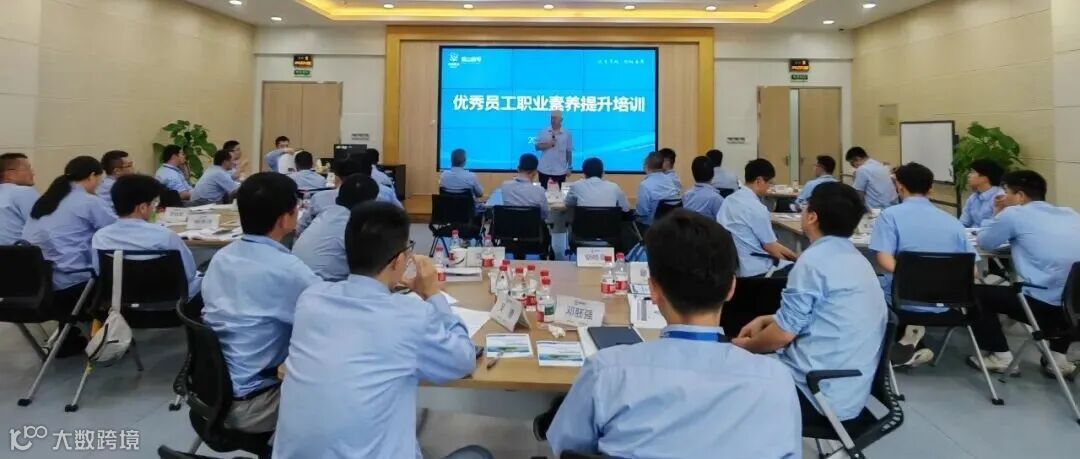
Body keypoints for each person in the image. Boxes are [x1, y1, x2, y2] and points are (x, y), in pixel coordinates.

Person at [547, 209, 800, 458]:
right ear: (731, 288)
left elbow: (567, 446)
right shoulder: (776, 381)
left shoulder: (607, 372)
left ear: (653, 290)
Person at [274, 202, 488, 459]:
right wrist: (432, 293)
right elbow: (463, 360)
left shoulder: (311, 299)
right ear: (398, 261)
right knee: (478, 454)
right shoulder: (409, 316)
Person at [734, 181, 887, 423]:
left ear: (812, 217)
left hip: (816, 393)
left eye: (805, 206)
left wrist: (745, 347)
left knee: (727, 380)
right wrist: (770, 319)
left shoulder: (813, 261)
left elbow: (782, 336)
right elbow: (824, 312)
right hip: (847, 390)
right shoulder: (858, 259)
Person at [201, 172, 321, 433]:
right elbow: (330, 317)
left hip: (209, 392)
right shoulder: (288, 270)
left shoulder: (221, 258)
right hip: (255, 403)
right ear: (285, 219)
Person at [969, 170, 1080, 376]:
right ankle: (1057, 357)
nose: (1002, 197)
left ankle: (999, 355)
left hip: (1044, 309)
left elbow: (985, 241)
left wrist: (998, 212)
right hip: (1075, 312)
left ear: (1020, 196)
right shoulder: (1070, 214)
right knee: (1065, 284)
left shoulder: (1014, 214)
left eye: (1006, 192)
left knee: (973, 293)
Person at [869, 162, 976, 367]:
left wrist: (916, 278)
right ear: (931, 188)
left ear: (899, 187)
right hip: (947, 303)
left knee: (871, 286)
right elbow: (972, 270)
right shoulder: (952, 222)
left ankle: (899, 343)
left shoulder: (890, 216)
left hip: (904, 300)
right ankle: (913, 341)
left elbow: (884, 261)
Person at [92, 174, 202, 304]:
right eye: (155, 203)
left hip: (120, 305)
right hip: (167, 305)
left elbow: (99, 272)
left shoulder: (100, 237)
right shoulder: (166, 236)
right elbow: (188, 274)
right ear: (143, 208)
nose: (156, 208)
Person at [23, 156, 117, 293]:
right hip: (74, 279)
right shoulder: (89, 202)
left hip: (39, 279)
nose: (99, 185)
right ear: (92, 176)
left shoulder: (47, 200)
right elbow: (116, 231)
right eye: (100, 180)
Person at [716, 159, 797, 277]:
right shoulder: (756, 208)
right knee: (799, 270)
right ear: (759, 181)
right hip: (758, 270)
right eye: (769, 183)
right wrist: (797, 258)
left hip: (734, 267)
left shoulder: (728, 201)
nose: (769, 187)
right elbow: (771, 247)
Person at [292, 175, 380, 281]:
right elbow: (372, 268)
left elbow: (298, 229)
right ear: (371, 203)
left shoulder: (326, 212)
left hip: (296, 276)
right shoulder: (355, 226)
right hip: (323, 283)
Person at [634, 152, 681, 229]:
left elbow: (642, 212)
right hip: (671, 226)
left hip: (651, 227)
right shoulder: (670, 181)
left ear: (646, 166)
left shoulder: (645, 185)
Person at [564, 157, 630, 211]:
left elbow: (567, 204)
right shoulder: (614, 187)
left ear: (584, 173)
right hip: (608, 223)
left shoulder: (576, 185)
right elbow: (626, 208)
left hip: (584, 223)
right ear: (603, 173)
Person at [0, 152, 39, 245]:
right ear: (10, 174)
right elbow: (42, 226)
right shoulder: (23, 191)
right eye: (28, 169)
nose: (33, 173)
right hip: (15, 251)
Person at [497, 153, 550, 220]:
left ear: (518, 169)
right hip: (532, 226)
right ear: (535, 172)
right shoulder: (540, 191)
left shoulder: (505, 186)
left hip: (510, 225)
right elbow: (544, 215)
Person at [960, 159, 1005, 228]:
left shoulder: (1000, 197)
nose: (968, 175)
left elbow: (996, 227)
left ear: (985, 178)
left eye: (972, 172)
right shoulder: (973, 197)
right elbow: (963, 222)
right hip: (971, 233)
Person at [534, 110, 573, 186]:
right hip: (544, 170)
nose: (553, 120)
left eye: (555, 118)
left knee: (558, 192)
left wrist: (569, 167)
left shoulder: (567, 133)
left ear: (561, 119)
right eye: (551, 118)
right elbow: (537, 147)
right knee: (543, 192)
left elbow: (569, 151)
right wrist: (549, 144)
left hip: (560, 170)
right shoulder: (544, 131)